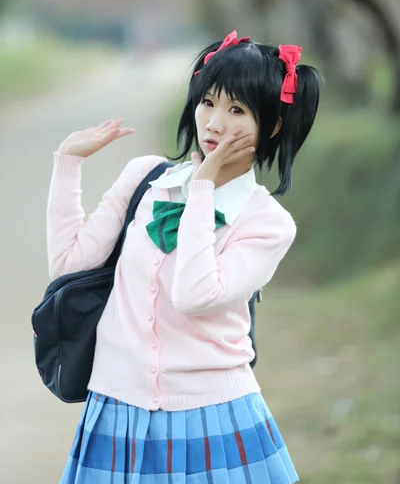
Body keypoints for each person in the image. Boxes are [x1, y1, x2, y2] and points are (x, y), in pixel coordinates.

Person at [47, 31, 322, 483]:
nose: (213, 123)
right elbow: (68, 268)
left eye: (236, 110)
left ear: (271, 125)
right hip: (116, 410)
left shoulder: (268, 222)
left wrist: (202, 189)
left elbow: (195, 295)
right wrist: (67, 164)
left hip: (214, 414)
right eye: (207, 102)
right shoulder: (144, 178)